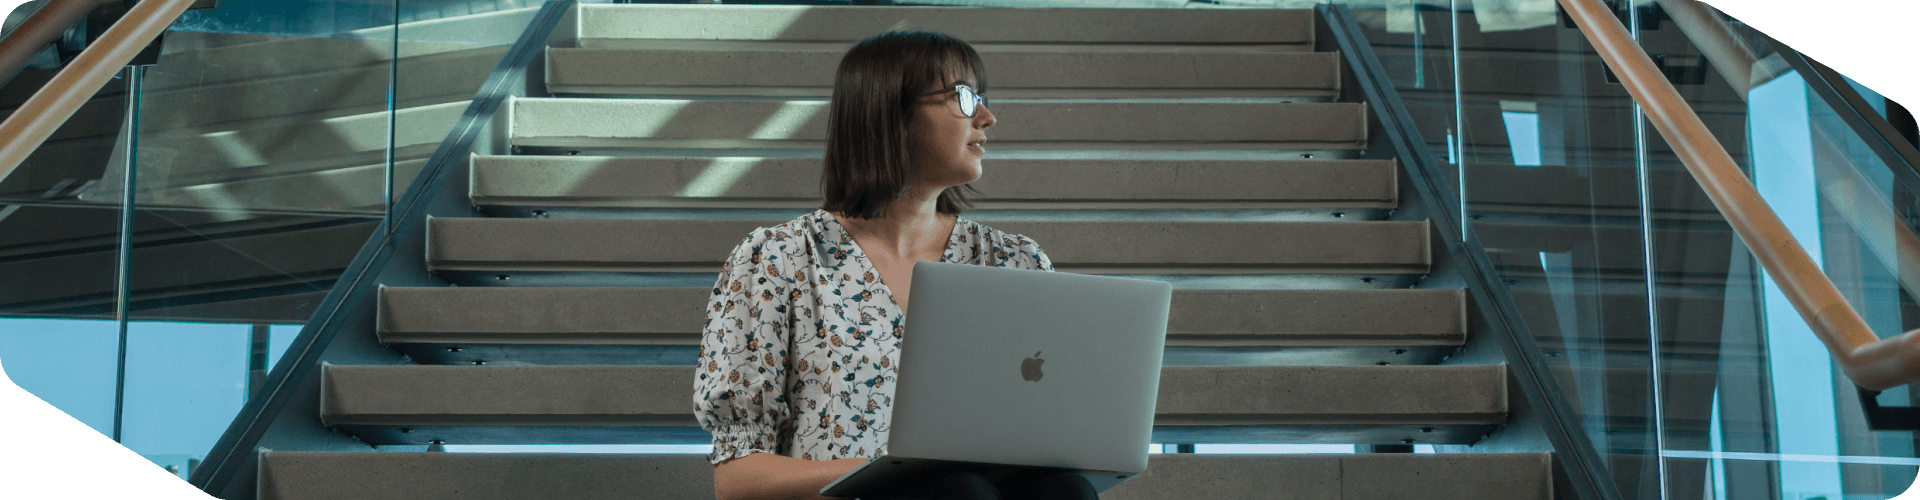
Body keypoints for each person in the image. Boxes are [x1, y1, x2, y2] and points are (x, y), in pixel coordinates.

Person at [694, 30, 1100, 500]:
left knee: (1066, 489)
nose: (987, 118)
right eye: (964, 98)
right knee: (957, 491)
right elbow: (736, 480)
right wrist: (891, 470)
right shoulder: (777, 260)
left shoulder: (1015, 263)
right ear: (893, 115)